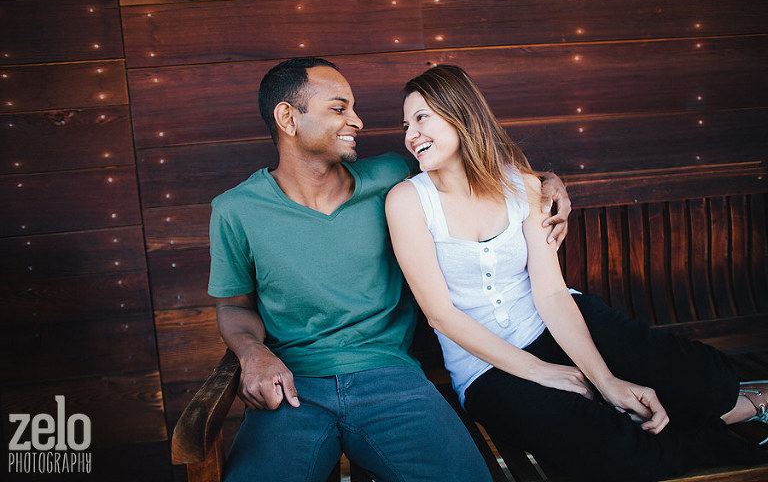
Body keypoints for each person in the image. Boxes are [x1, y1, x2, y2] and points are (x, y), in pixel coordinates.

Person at [385, 64, 768, 482]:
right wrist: (543, 372)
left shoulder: (522, 186)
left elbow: (550, 294)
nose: (411, 134)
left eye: (421, 117)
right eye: (406, 124)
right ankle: (720, 426)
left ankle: (730, 402)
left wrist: (605, 381)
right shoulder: (408, 201)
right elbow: (442, 315)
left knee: (712, 384)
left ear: (462, 114)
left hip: (556, 323)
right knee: (621, 458)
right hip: (484, 368)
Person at [207, 57, 571, 481]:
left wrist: (544, 180)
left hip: (392, 379)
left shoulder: (393, 179)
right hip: (293, 387)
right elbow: (232, 307)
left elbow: (473, 173)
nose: (357, 121)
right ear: (288, 117)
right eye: (339, 108)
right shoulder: (235, 210)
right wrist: (253, 354)